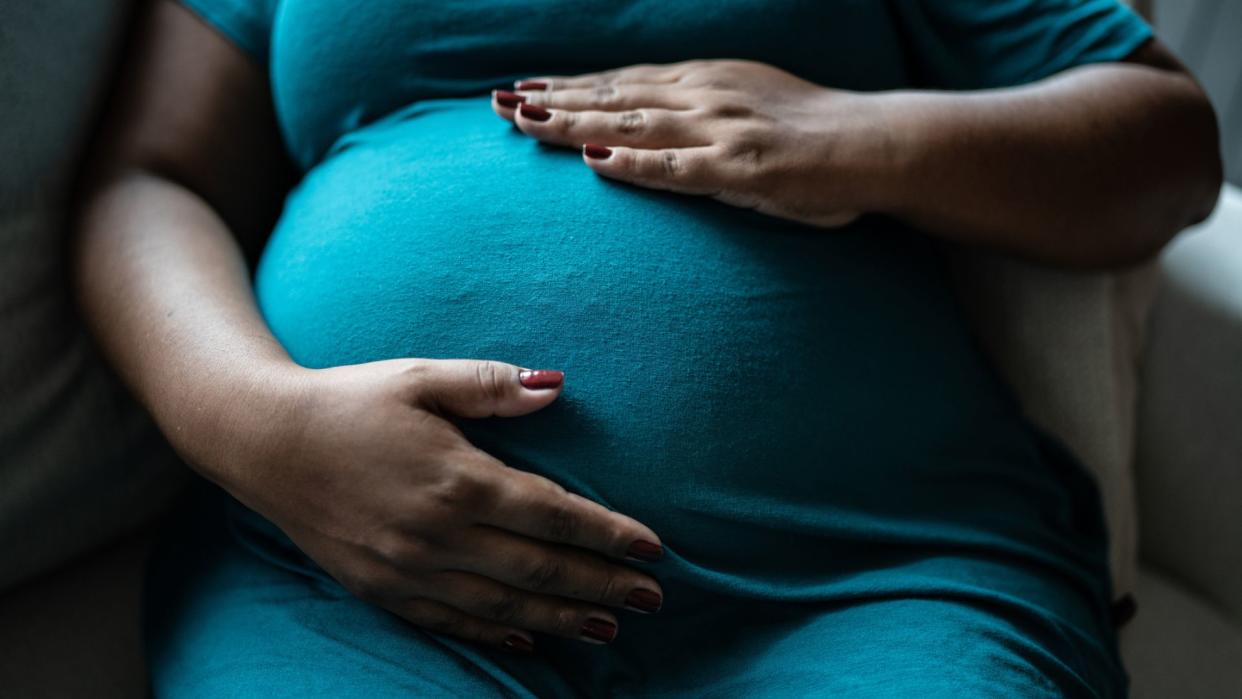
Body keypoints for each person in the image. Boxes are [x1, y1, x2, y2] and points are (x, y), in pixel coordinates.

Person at [71, 0, 1221, 696]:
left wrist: (862, 136)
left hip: (865, 573)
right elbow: (151, 180)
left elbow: (1162, 145)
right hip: (353, 575)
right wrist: (257, 426)